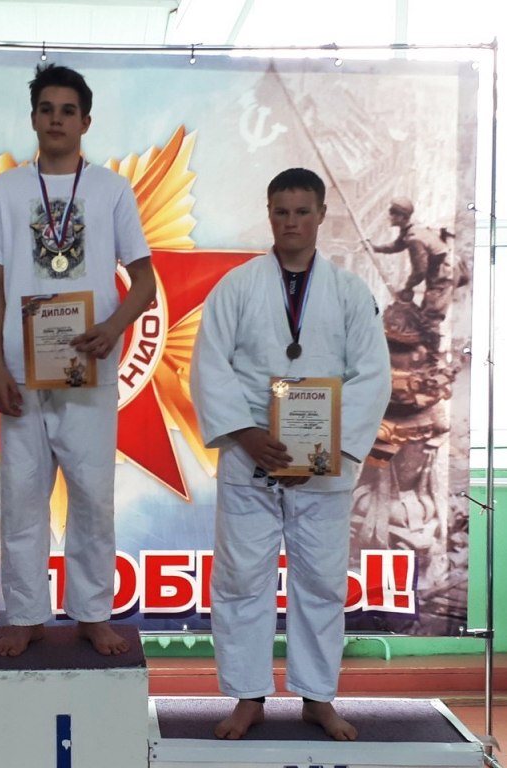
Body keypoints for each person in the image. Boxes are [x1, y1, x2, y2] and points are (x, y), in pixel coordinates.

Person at [192, 168, 391, 741]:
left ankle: (317, 697)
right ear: (269, 214)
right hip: (250, 451)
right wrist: (244, 431)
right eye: (281, 211)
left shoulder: (350, 292)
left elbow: (372, 375)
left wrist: (326, 451)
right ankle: (248, 697)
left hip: (323, 466)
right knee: (241, 578)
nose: (291, 223)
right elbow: (209, 363)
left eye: (303, 211)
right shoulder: (236, 286)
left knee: (321, 581)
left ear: (321, 214)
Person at [0, 64, 155, 657]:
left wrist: (112, 329)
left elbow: (144, 282)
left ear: (86, 121)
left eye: (67, 110)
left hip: (88, 368)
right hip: (21, 373)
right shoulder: (7, 191)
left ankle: (92, 613)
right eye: (46, 109)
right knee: (22, 496)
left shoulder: (110, 190)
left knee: (93, 495)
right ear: (33, 118)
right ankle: (26, 614)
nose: (56, 119)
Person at [369, 198, 457, 356]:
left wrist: (408, 288)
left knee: (430, 318)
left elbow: (420, 271)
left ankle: (432, 358)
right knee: (425, 314)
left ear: (402, 217)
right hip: (439, 271)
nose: (390, 216)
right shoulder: (410, 229)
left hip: (443, 277)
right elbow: (397, 245)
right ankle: (426, 350)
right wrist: (376, 248)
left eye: (393, 214)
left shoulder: (414, 238)